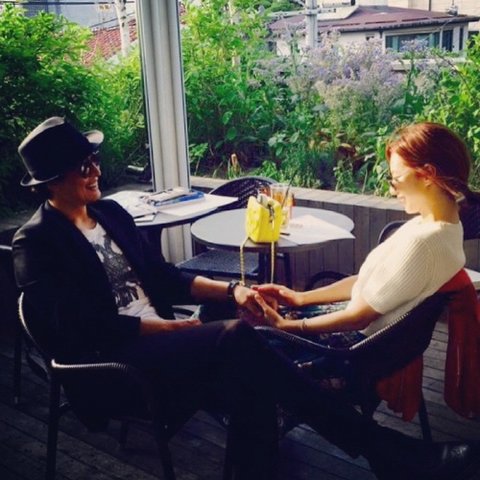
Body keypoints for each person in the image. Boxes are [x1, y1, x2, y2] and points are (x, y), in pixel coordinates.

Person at [12, 117, 480, 480]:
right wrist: (167, 328)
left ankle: (355, 459)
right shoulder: (37, 244)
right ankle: (385, 451)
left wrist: (235, 289)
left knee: (249, 370)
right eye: (83, 166)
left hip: (167, 339)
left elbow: (166, 277)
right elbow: (81, 330)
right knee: (238, 339)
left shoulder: (110, 213)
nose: (96, 171)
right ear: (52, 181)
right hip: (118, 360)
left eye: (94, 160)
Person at [254, 122, 480, 343]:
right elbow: (369, 284)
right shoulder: (444, 227)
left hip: (347, 350)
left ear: (428, 175)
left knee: (244, 336)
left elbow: (358, 318)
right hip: (361, 341)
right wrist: (299, 298)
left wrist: (286, 327)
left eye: (396, 180)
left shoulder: (424, 243)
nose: (392, 190)